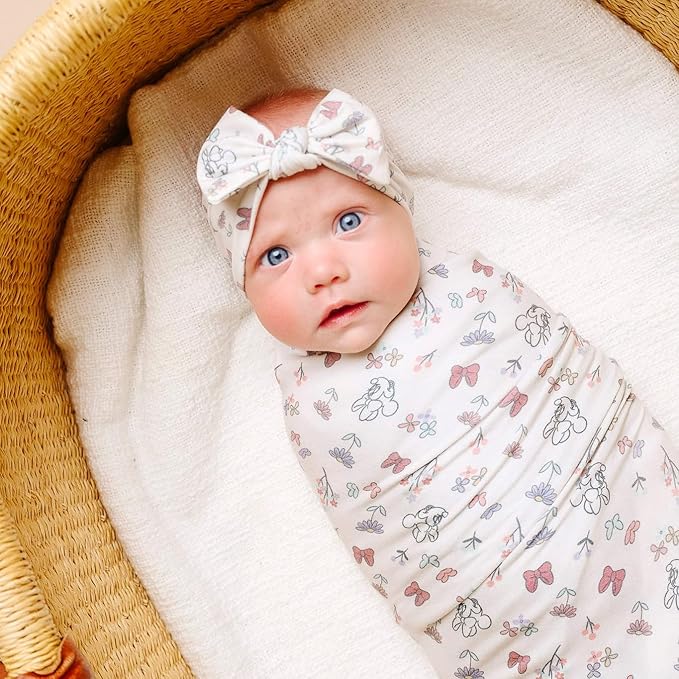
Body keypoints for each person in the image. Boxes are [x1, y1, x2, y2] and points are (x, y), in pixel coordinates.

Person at [196, 87, 679, 678]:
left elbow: (570, 378)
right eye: (275, 256)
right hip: (507, 625)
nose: (323, 271)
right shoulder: (307, 402)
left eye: (348, 221)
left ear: (402, 209)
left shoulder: (471, 286)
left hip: (626, 519)